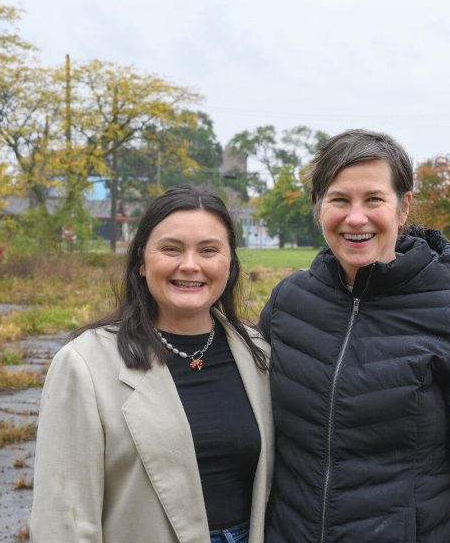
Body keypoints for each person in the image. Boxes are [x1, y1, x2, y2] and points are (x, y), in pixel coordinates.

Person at [260, 129, 450, 542]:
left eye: (374, 200)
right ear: (319, 207)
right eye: (339, 200)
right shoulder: (288, 304)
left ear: (403, 208)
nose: (356, 218)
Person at [30, 186, 273, 543]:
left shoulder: (257, 354)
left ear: (230, 263)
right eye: (171, 249)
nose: (190, 265)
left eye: (208, 250)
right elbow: (63, 519)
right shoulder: (85, 364)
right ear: (142, 261)